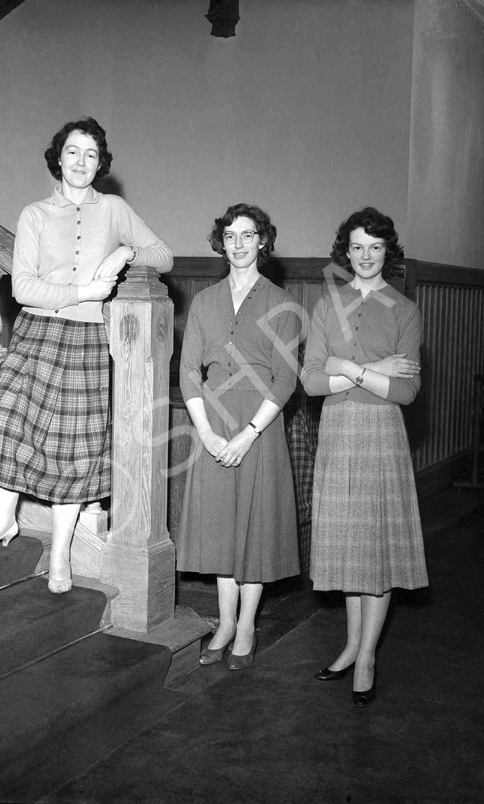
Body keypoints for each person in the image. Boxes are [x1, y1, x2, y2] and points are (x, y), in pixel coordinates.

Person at [0, 117, 173, 595]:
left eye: (91, 155)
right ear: (58, 158)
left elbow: (163, 255)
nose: (81, 162)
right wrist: (85, 288)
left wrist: (123, 256)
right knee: (12, 421)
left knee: (74, 450)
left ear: (101, 164)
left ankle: (60, 554)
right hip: (37, 332)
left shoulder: (115, 208)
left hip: (87, 340)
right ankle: (2, 521)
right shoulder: (34, 214)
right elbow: (24, 287)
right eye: (73, 152)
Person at [301, 207, 428, 706]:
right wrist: (372, 369)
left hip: (380, 434)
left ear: (387, 251)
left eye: (375, 247)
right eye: (357, 247)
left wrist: (347, 369)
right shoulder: (325, 305)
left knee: (373, 546)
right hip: (336, 431)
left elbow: (406, 391)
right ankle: (351, 644)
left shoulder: (405, 310)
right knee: (346, 545)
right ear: (345, 252)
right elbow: (311, 381)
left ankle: (368, 654)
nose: (366, 256)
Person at [177, 203, 300, 670]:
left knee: (255, 528)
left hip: (259, 427)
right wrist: (205, 432)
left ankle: (246, 625)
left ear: (263, 242)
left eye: (248, 235)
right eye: (230, 236)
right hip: (212, 421)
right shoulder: (205, 301)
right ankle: (224, 623)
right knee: (221, 529)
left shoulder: (280, 303)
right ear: (221, 242)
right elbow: (190, 371)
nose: (239, 244)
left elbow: (286, 379)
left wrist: (248, 434)